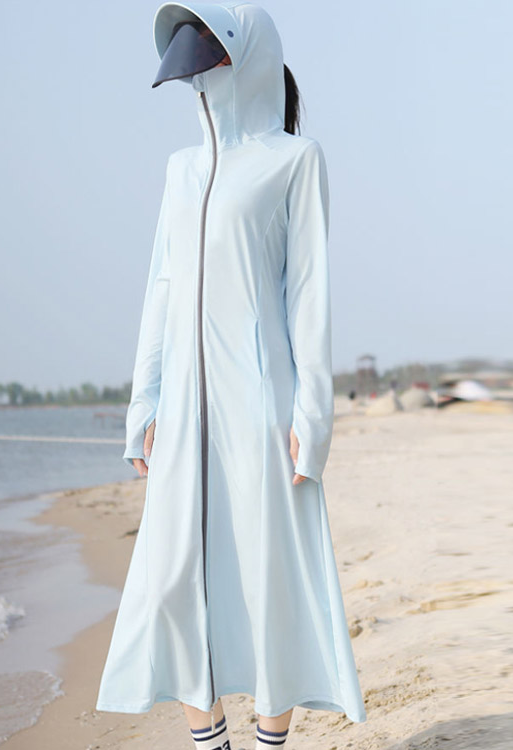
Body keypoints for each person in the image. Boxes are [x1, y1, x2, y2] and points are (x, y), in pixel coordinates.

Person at [95, 3, 367, 749]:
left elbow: (308, 294)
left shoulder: (295, 160)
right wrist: (143, 403)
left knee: (269, 582)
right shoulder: (180, 170)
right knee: (172, 583)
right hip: (185, 410)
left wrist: (312, 419)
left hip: (262, 406)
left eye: (210, 46)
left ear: (244, 57)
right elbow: (161, 287)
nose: (196, 66)